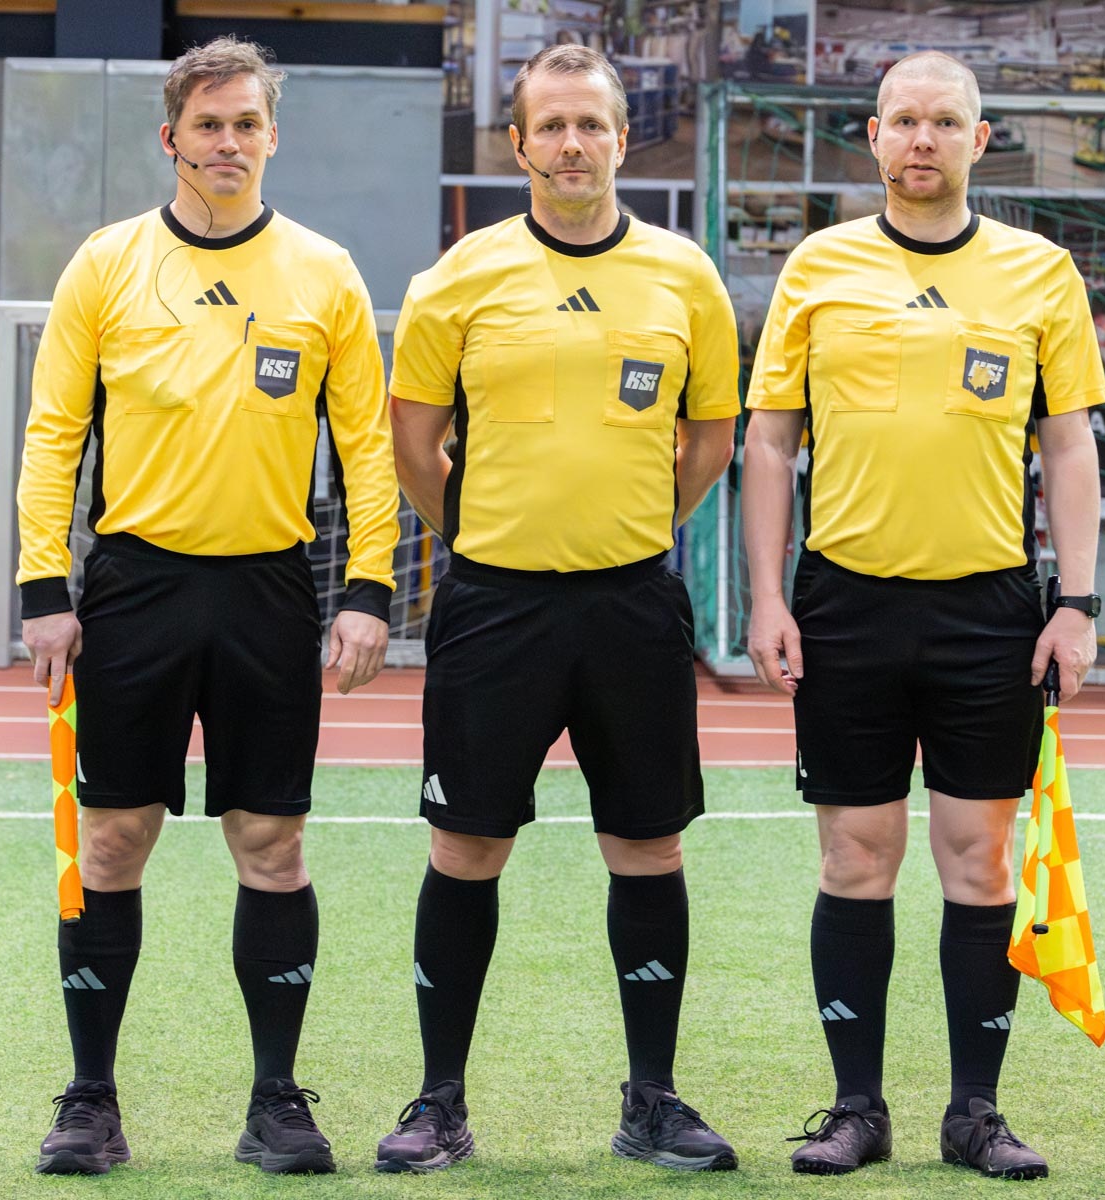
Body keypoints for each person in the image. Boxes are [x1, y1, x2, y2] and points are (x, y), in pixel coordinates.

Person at [18, 36, 399, 1176]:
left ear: (272, 135)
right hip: (135, 588)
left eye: (246, 124)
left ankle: (276, 1101)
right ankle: (91, 1100)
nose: (227, 143)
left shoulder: (324, 271)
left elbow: (366, 447)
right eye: (207, 125)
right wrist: (43, 586)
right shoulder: (107, 263)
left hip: (269, 592)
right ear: (171, 138)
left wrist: (368, 589)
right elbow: (54, 435)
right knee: (113, 838)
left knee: (271, 843)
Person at [375, 44, 740, 1175]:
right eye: (552, 126)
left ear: (624, 138)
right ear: (519, 143)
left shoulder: (685, 276)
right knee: (467, 843)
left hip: (632, 603)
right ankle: (439, 1102)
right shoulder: (459, 278)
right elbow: (413, 442)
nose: (572, 144)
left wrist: (631, 523)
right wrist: (486, 535)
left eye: (591, 124)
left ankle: (653, 1101)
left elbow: (709, 439)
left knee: (646, 844)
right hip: (495, 605)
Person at [743, 51, 1105, 1181]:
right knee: (857, 857)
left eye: (946, 121)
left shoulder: (1041, 273)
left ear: (980, 139)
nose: (922, 139)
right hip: (845, 605)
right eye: (904, 120)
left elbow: (1068, 445)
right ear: (873, 134)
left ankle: (974, 1113)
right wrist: (768, 596)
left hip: (988, 612)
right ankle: (858, 1110)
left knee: (979, 862)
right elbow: (771, 441)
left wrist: (1077, 603)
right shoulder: (818, 265)